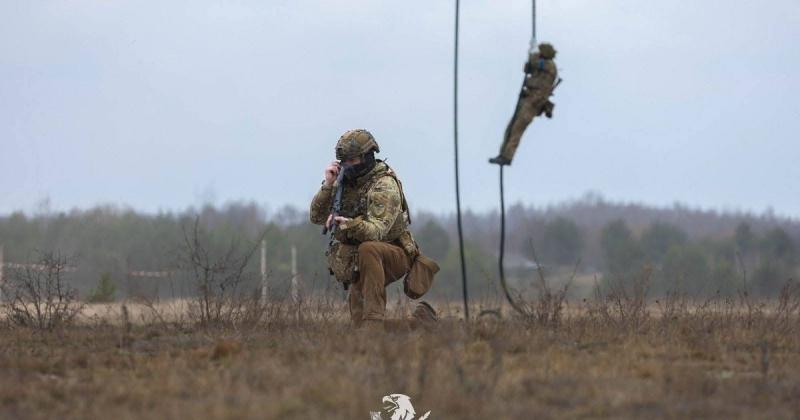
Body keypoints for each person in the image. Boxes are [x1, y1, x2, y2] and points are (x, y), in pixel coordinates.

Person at [310, 129, 438, 330]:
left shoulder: (384, 184)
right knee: (360, 327)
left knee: (368, 248)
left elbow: (376, 231)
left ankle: (375, 318)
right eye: (344, 162)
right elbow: (316, 217)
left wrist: (346, 223)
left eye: (352, 161)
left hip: (394, 253)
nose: (347, 166)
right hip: (363, 262)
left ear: (367, 157)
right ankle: (419, 323)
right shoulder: (344, 182)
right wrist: (328, 184)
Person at [489, 43, 559, 166]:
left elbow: (536, 63)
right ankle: (502, 154)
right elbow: (527, 69)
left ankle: (507, 156)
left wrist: (532, 54)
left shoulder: (549, 65)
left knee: (517, 129)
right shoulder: (542, 64)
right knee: (510, 128)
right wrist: (530, 59)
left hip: (533, 103)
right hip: (527, 100)